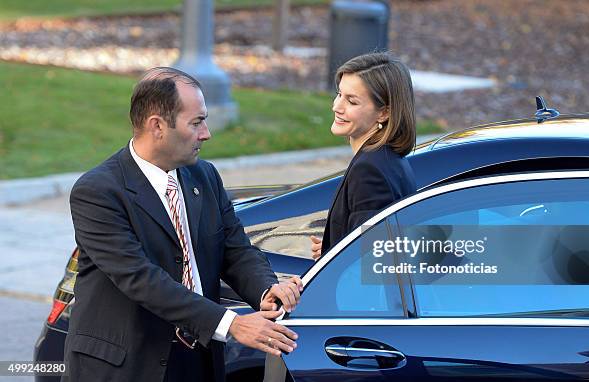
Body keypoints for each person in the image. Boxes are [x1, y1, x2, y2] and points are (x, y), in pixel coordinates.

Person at [63, 67, 302, 382]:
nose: (207, 134)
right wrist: (232, 323)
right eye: (197, 122)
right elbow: (140, 278)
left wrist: (264, 288)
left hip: (197, 359)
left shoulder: (204, 176)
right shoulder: (98, 191)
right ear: (157, 126)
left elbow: (235, 250)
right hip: (126, 366)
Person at [311, 52, 417, 259]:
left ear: (384, 113)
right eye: (339, 94)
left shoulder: (370, 170)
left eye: (352, 101)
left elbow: (369, 258)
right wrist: (332, 248)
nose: (336, 106)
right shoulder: (387, 159)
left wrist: (333, 258)